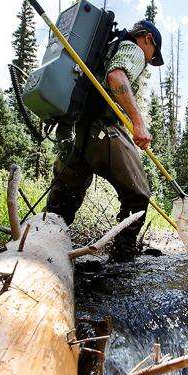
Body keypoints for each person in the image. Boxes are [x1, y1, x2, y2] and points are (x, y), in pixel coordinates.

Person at [46, 19, 164, 263]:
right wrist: (138, 123)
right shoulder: (133, 48)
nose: (150, 62)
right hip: (102, 130)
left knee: (63, 200)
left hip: (75, 130)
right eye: (153, 57)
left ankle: (42, 249)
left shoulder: (106, 48)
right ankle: (121, 262)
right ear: (148, 40)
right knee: (138, 196)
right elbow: (117, 76)